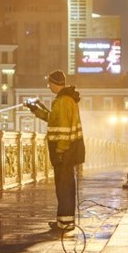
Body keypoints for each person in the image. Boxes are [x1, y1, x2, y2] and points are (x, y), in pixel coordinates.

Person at [24, 70, 85, 233]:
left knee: (64, 188)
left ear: (54, 84)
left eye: (49, 84)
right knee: (64, 187)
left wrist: (60, 150)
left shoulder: (64, 101)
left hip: (64, 153)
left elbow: (63, 128)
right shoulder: (63, 100)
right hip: (66, 152)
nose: (48, 87)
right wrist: (35, 109)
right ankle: (63, 221)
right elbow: (53, 119)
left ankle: (65, 223)